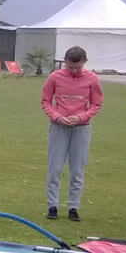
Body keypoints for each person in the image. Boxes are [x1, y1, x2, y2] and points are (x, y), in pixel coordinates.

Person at [41, 45, 102, 221]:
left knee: (77, 169)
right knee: (55, 168)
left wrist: (82, 117)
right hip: (59, 127)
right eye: (70, 67)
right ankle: (52, 205)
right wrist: (56, 116)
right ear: (65, 62)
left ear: (84, 63)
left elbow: (96, 103)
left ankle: (73, 207)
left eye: (78, 67)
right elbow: (46, 101)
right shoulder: (55, 77)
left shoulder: (92, 79)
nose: (74, 71)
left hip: (81, 128)